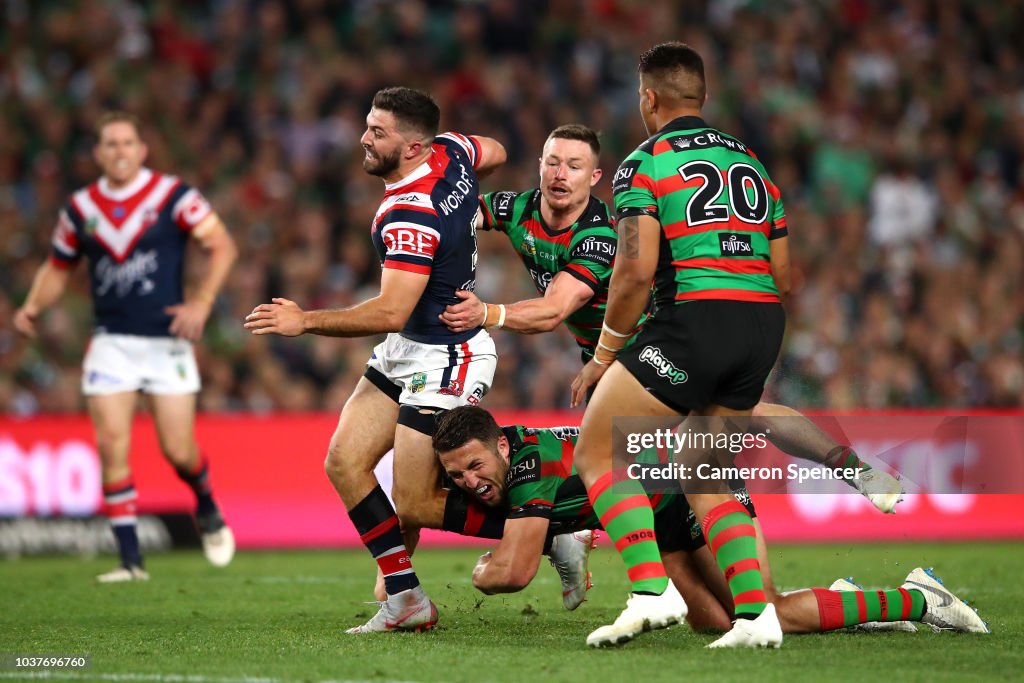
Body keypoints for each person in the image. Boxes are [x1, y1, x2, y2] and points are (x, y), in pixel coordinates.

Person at [439, 124, 902, 513]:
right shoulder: (515, 208)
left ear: (594, 176)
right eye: (553, 163)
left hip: (646, 341)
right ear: (539, 165)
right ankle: (813, 483)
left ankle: (627, 558)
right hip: (615, 351)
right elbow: (455, 214)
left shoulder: (598, 235)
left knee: (616, 451)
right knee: (692, 437)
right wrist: (424, 198)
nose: (561, 175)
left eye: (574, 167)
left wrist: (486, 312)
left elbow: (553, 310)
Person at [244, 87, 507, 633]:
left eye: (377, 132)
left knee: (412, 501)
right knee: (344, 461)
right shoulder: (452, 151)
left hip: (446, 353)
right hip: (408, 348)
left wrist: (305, 320)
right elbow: (497, 150)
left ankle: (552, 527)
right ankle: (407, 600)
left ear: (412, 148)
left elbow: (390, 309)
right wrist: (468, 218)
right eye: (368, 125)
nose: (363, 138)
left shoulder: (411, 212)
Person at [568, 41, 792, 649]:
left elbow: (634, 272)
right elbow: (786, 270)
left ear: (649, 97)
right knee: (707, 473)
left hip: (695, 320)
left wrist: (605, 353)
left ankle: (649, 591)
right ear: (703, 97)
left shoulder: (644, 162)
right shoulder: (752, 163)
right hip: (763, 322)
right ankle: (756, 617)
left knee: (597, 452)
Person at [432, 406, 989, 638]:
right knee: (714, 626)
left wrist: (482, 571)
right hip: (657, 514)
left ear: (501, 444)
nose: (470, 484)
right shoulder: (519, 463)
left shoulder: (528, 469)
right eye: (456, 477)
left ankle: (919, 598)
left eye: (475, 466)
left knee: (766, 615)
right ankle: (840, 599)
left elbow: (511, 571)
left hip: (691, 490)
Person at [13, 111, 239, 582]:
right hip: (111, 343)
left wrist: (201, 300)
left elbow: (221, 245)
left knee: (178, 451)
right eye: (110, 144)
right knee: (111, 445)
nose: (119, 151)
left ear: (142, 150)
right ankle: (131, 561)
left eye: (127, 143)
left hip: (166, 343)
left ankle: (205, 501)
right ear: (98, 154)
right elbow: (58, 266)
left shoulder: (172, 196)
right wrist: (33, 305)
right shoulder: (81, 208)